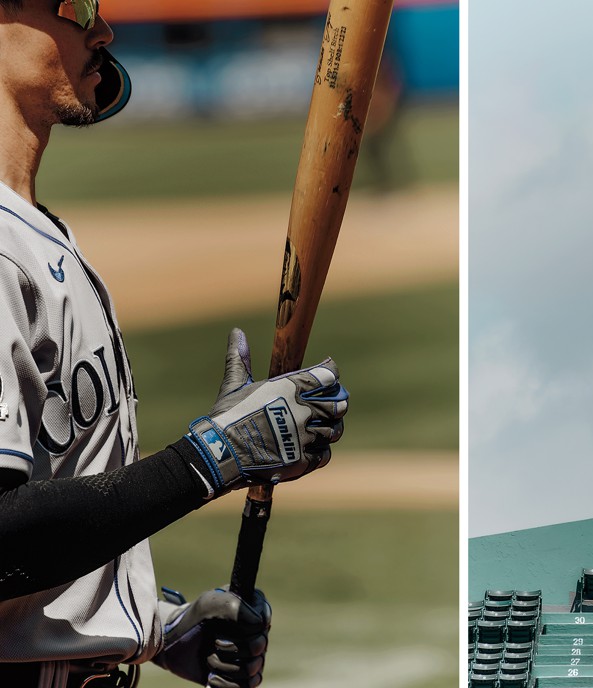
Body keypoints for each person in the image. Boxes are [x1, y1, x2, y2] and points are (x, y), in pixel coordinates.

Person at [0, 1, 349, 686]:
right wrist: (213, 457)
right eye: (77, 7)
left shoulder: (34, 231)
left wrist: (154, 626)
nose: (102, 29)